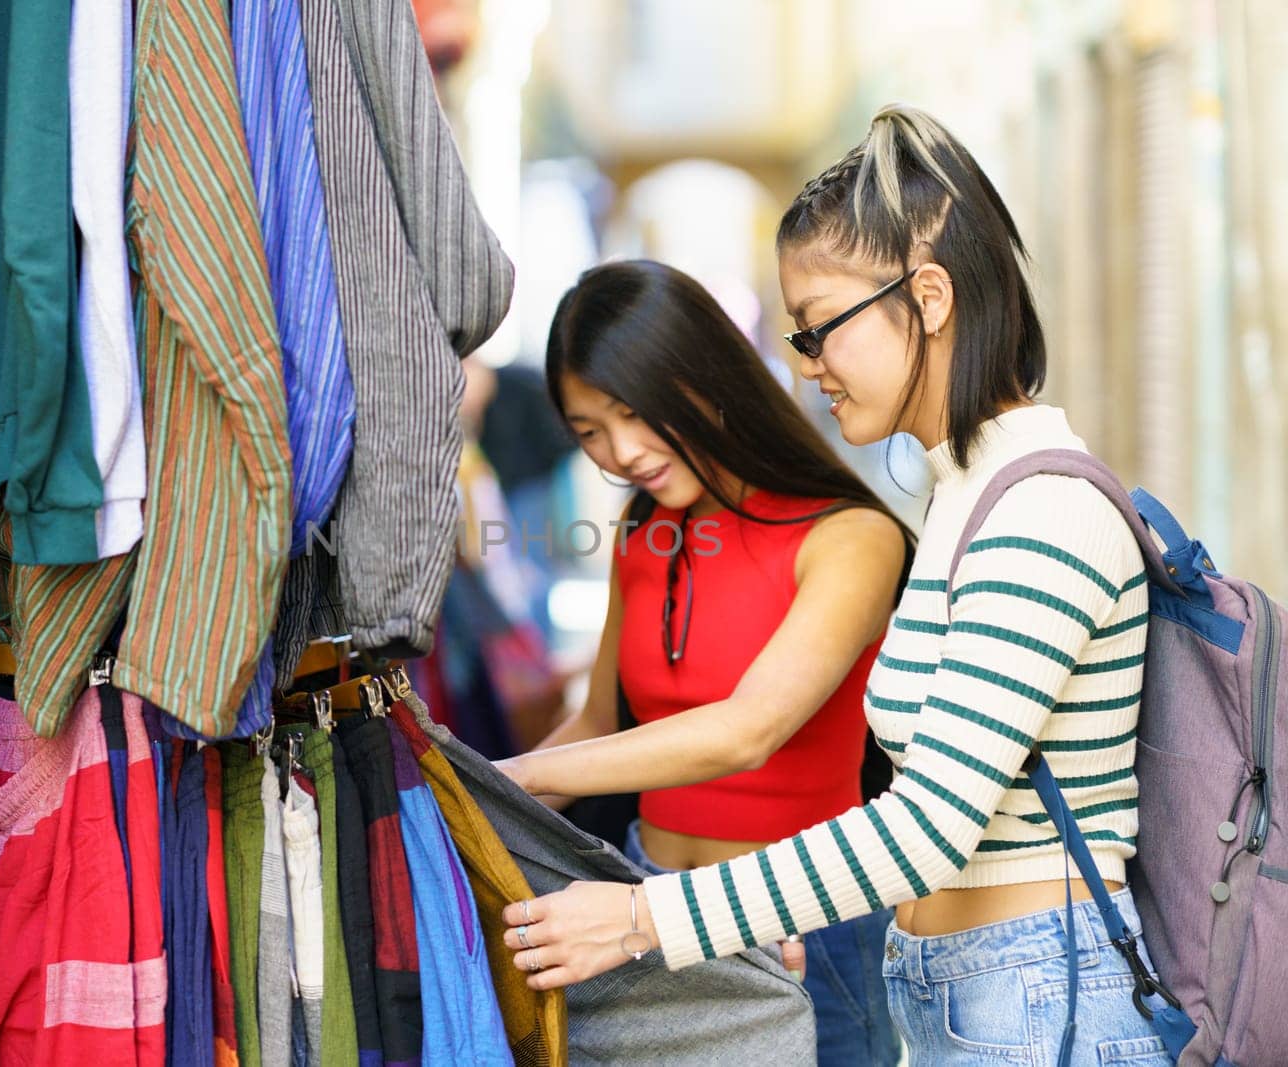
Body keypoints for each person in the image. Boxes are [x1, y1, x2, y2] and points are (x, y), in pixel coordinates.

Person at [500, 104, 1171, 1064]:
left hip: (1040, 1004)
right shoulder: (965, 498)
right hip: (970, 991)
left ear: (929, 297)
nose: (806, 366)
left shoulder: (1042, 511)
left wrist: (650, 915)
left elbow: (929, 827)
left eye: (818, 330)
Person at [494, 257, 912, 1066]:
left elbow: (747, 730)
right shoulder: (641, 533)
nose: (619, 452)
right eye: (588, 431)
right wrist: (466, 790)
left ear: (702, 378)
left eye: (631, 412)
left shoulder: (852, 536)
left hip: (805, 920)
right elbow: (595, 721)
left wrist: (522, 775)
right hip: (645, 907)